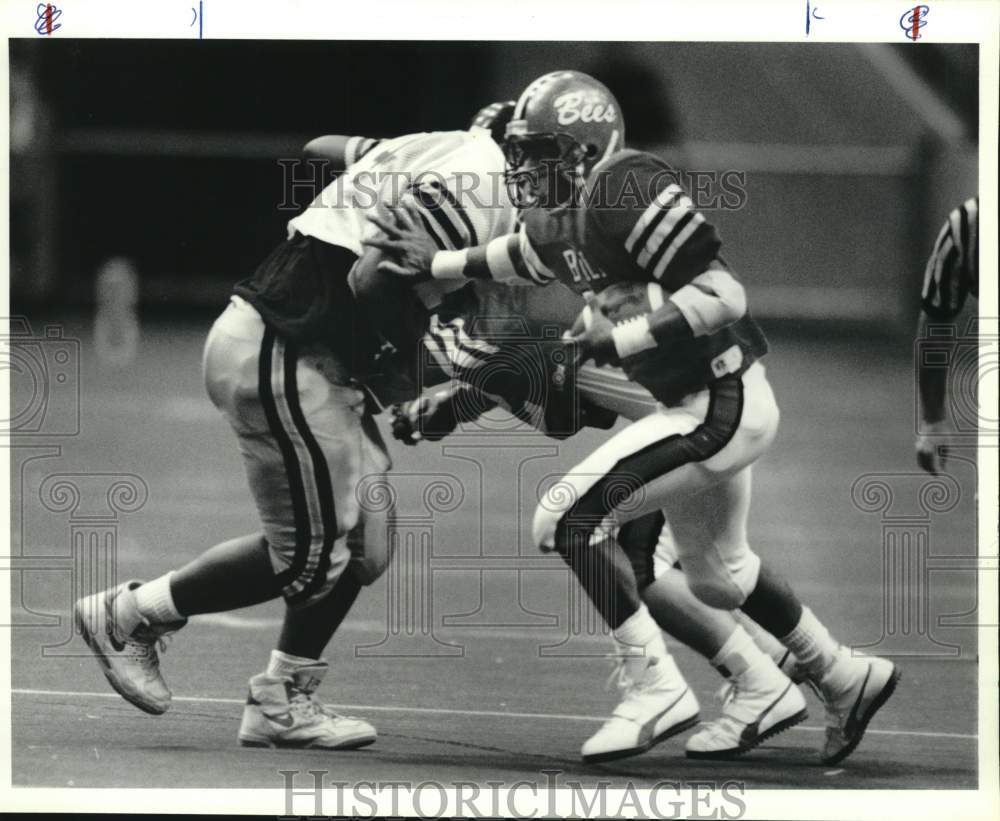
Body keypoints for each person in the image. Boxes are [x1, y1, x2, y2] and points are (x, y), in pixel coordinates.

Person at [364, 70, 900, 765]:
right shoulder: (558, 219)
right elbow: (517, 257)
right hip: (701, 405)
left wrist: (622, 339)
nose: (522, 169)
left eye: (537, 152)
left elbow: (725, 293)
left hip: (719, 401)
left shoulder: (624, 185)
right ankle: (844, 673)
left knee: (565, 517)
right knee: (717, 575)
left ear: (585, 149)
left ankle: (655, 688)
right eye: (518, 153)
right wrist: (433, 258)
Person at [73, 116, 517, 750]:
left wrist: (377, 169)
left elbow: (320, 147)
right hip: (288, 350)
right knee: (314, 559)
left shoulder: (436, 152)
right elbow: (374, 278)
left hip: (306, 353)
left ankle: (283, 695)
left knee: (365, 543)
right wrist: (416, 361)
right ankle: (129, 617)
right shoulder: (481, 179)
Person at [914, 197, 979, 475]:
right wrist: (933, 420)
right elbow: (936, 325)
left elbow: (935, 327)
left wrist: (933, 421)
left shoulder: (969, 223)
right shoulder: (969, 225)